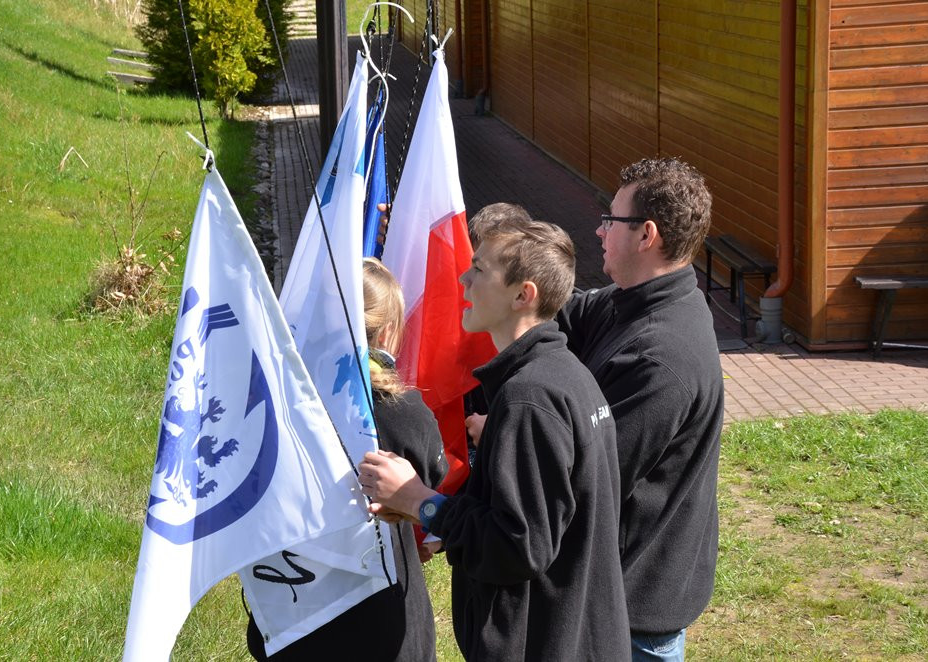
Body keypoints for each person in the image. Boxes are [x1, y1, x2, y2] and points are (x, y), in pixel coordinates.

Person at [358, 212, 631, 661]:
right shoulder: (564, 374)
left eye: (480, 269)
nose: (464, 278)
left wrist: (419, 500)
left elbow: (517, 547)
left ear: (523, 296)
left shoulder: (531, 398)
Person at [556, 157, 723, 660]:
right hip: (616, 601)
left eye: (611, 219)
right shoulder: (629, 301)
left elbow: (585, 480)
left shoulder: (660, 357)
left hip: (628, 621)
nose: (600, 230)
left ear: (646, 234)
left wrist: (499, 433)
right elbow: (545, 312)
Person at [246, 257, 448, 662]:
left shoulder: (273, 397)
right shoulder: (401, 411)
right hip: (377, 618)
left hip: (289, 605)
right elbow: (432, 474)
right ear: (388, 331)